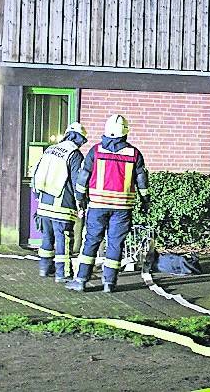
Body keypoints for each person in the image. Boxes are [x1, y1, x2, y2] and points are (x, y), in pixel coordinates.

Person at [66, 114, 149, 293]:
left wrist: (80, 199)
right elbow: (142, 180)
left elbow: (83, 177)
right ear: (125, 132)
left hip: (97, 206)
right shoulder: (134, 153)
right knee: (115, 244)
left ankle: (81, 280)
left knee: (91, 242)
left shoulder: (96, 151)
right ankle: (109, 283)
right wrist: (145, 201)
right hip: (122, 209)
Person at [30, 122, 88, 282]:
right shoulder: (74, 154)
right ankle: (62, 274)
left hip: (43, 205)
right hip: (62, 207)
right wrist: (81, 202)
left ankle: (44, 268)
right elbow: (78, 182)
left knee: (47, 238)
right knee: (63, 240)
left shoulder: (50, 149)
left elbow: (35, 173)